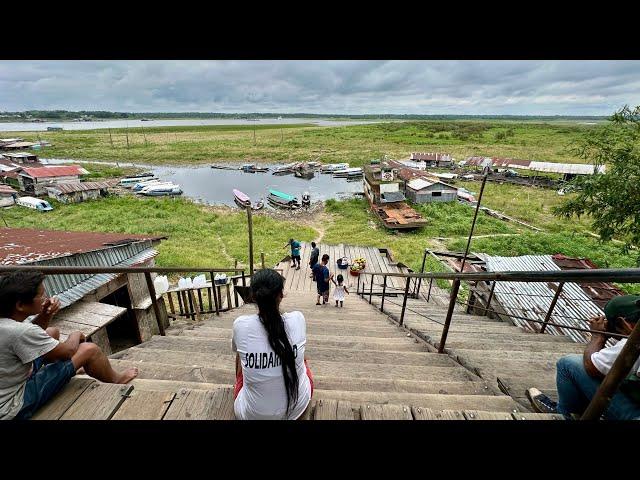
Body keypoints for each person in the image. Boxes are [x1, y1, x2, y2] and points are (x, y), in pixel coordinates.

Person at [0, 271, 138, 421]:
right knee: (88, 350)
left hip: (6, 381)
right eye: (41, 296)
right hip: (12, 406)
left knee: (52, 332)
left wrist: (46, 314)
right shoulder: (21, 331)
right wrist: (76, 334)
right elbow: (69, 351)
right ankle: (117, 379)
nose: (46, 298)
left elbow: (31, 334)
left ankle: (65, 371)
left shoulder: (8, 324)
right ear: (20, 305)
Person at [526, 295, 640, 420]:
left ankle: (564, 415)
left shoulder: (635, 341)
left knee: (567, 364)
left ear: (622, 323)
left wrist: (598, 336)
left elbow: (593, 367)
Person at [231, 268, 314, 420]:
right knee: (304, 361)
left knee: (240, 353)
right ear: (281, 295)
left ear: (253, 297)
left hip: (252, 415)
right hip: (297, 409)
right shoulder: (298, 319)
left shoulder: (241, 325)